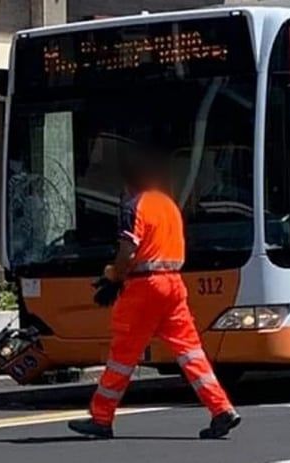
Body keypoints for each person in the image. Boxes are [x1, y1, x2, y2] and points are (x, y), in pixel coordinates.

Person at [67, 141, 241, 439]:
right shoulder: (168, 205)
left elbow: (127, 250)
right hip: (173, 284)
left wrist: (115, 276)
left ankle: (101, 418)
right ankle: (221, 408)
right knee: (190, 352)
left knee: (123, 355)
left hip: (144, 286)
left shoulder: (134, 206)